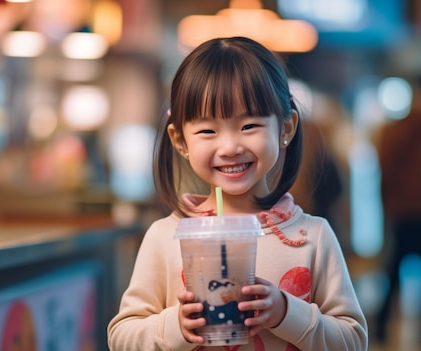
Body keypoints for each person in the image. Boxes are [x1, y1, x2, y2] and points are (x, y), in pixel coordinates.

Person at [107, 36, 367, 351]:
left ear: (286, 128)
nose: (230, 147)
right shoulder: (166, 237)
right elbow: (122, 337)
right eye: (207, 131)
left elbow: (354, 341)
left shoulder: (312, 237)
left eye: (249, 126)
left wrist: (287, 312)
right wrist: (176, 326)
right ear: (180, 141)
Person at [374, 75, 421, 345]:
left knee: (401, 273)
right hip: (417, 212)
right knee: (404, 273)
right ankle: (397, 326)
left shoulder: (408, 127)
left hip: (413, 212)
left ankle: (394, 326)